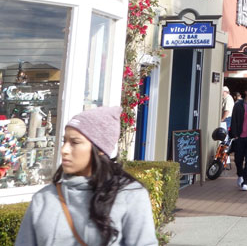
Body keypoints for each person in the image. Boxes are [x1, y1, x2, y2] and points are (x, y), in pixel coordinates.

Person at [15, 105, 157, 245]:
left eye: (75, 142)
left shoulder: (130, 195)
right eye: (64, 141)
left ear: (100, 149)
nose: (64, 150)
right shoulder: (43, 199)